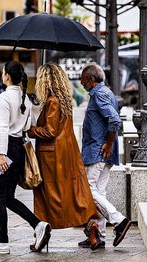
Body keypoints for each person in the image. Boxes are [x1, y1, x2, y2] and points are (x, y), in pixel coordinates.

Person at [27, 63, 101, 250]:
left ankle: (41, 234)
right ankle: (90, 227)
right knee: (71, 195)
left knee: (46, 197)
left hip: (51, 156)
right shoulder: (64, 100)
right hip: (66, 152)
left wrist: (31, 130)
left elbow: (50, 131)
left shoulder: (52, 101)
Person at [0, 61, 51, 255]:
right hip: (18, 150)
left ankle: (3, 243)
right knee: (8, 197)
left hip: (4, 149)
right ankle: (38, 225)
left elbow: (3, 128)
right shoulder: (26, 99)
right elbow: (26, 127)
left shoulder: (5, 98)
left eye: (4, 72)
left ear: (7, 77)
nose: (3, 75)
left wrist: (1, 155)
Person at [79, 63, 132, 248]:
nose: (81, 83)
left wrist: (108, 144)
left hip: (97, 152)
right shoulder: (107, 92)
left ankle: (119, 221)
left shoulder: (99, 94)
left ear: (92, 80)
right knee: (99, 193)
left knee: (89, 190)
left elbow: (114, 119)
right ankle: (99, 235)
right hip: (104, 153)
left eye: (83, 79)